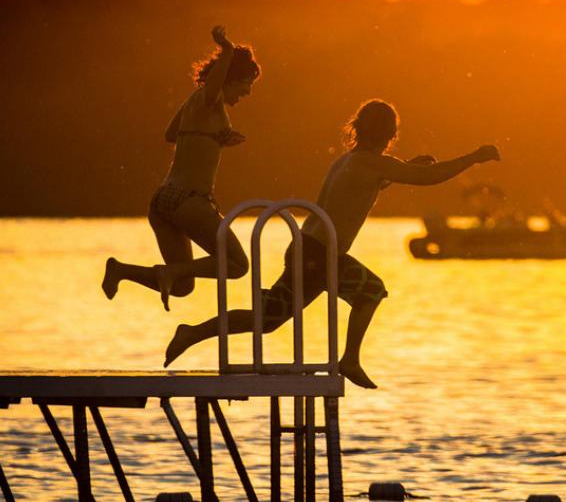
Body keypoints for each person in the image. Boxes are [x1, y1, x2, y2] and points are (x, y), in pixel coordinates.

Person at [163, 99, 500, 388]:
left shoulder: (350, 160)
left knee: (266, 320)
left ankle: (192, 333)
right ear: (389, 135)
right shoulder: (370, 162)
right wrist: (474, 157)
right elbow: (430, 177)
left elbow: (366, 188)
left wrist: (403, 169)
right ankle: (349, 360)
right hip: (319, 255)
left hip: (306, 248)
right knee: (370, 291)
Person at [102, 26, 259, 310]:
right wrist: (227, 50)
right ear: (230, 78)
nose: (248, 91)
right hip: (189, 200)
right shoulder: (211, 98)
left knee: (184, 286)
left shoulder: (196, 103)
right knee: (237, 265)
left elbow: (171, 135)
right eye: (246, 82)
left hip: (163, 201)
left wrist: (215, 139)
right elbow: (214, 87)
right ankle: (169, 272)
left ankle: (121, 270)